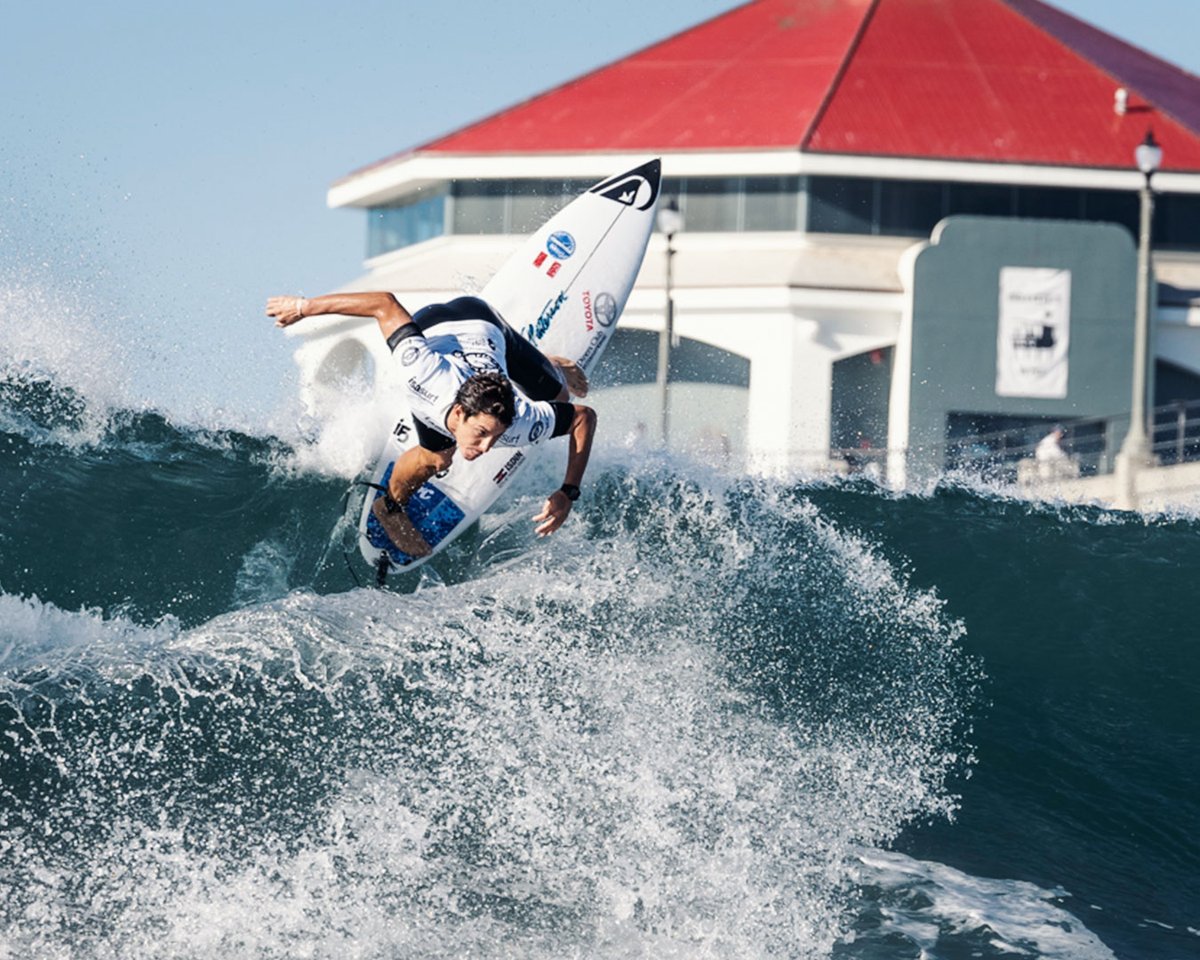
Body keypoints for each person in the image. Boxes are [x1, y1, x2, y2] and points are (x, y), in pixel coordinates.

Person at [267, 291, 596, 558]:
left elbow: (584, 417)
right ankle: (391, 506)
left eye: (495, 437)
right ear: (457, 415)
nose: (486, 448)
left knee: (562, 399)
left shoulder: (521, 420)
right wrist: (303, 307)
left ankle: (551, 364)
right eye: (481, 434)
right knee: (436, 456)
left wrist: (568, 491)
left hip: (485, 323)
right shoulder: (424, 373)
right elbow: (384, 303)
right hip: (433, 327)